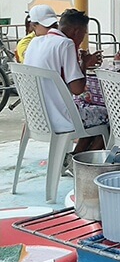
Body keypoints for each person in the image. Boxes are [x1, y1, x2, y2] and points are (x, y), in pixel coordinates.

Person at [24, 8, 106, 154]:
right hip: (61, 119)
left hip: (37, 117)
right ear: (76, 31)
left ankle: (74, 157)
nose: (83, 38)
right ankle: (83, 162)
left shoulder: (34, 42)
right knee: (109, 116)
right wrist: (84, 64)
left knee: (91, 115)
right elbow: (77, 89)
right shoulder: (66, 44)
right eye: (84, 33)